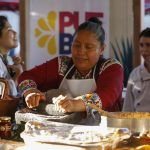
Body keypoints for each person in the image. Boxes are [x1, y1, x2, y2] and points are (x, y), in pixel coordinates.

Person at [18, 17, 123, 124]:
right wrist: (30, 91)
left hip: (105, 132)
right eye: (77, 45)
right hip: (63, 131)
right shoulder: (62, 64)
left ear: (102, 49)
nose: (81, 52)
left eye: (89, 47)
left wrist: (74, 104)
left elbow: (106, 95)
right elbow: (26, 76)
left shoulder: (111, 68)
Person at [123, 28, 150, 112]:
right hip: (138, 123)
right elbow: (128, 107)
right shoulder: (134, 74)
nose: (144, 50)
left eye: (149, 45)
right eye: (141, 45)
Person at [0, 15, 23, 96]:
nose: (15, 32)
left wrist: (14, 72)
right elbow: (2, 94)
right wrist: (17, 75)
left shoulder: (4, 59)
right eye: (9, 29)